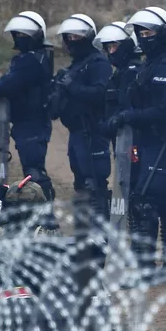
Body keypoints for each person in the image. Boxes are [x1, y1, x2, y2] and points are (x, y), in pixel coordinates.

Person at [109, 7, 166, 265]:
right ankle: (160, 263)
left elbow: (164, 111)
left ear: (161, 33)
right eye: (140, 32)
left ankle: (156, 264)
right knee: (155, 200)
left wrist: (130, 116)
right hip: (143, 140)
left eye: (148, 31)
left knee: (147, 199)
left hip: (161, 140)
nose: (143, 36)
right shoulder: (146, 65)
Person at [0, 11, 55, 201]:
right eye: (18, 35)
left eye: (24, 35)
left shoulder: (32, 60)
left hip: (33, 120)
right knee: (30, 169)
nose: (20, 39)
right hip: (27, 120)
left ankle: (46, 215)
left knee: (34, 170)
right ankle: (40, 214)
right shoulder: (33, 57)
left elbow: (10, 82)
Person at [48, 13, 112, 217]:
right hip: (76, 133)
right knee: (81, 185)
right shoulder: (75, 65)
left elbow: (100, 94)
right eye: (68, 38)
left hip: (92, 131)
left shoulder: (98, 63)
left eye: (76, 37)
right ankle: (86, 236)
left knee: (95, 184)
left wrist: (72, 86)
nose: (72, 42)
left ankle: (101, 237)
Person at [97, 20, 144, 138]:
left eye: (115, 46)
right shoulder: (118, 73)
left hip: (132, 135)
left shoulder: (133, 71)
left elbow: (127, 107)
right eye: (109, 47)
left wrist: (114, 121)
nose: (111, 51)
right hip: (120, 135)